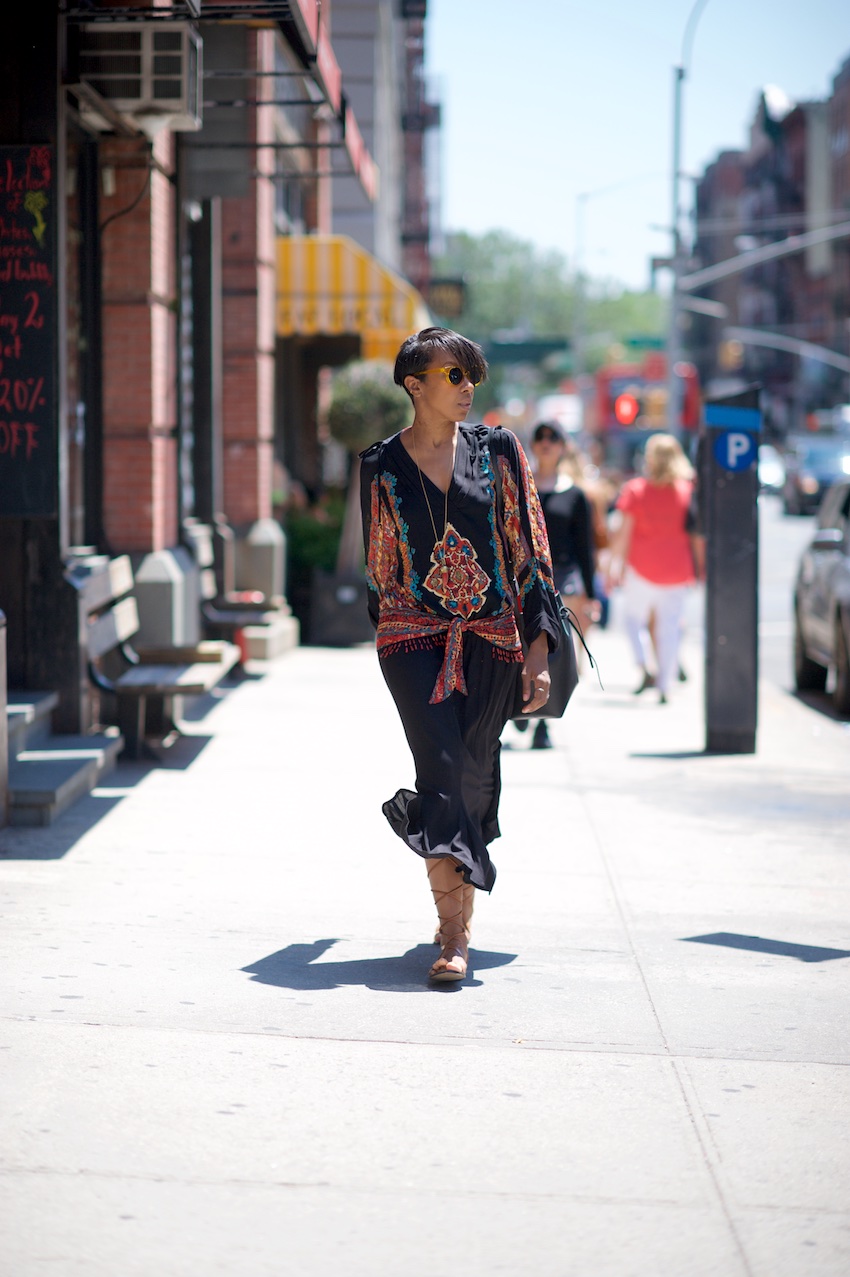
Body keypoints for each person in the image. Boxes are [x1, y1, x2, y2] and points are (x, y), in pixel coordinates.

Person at [359, 327, 562, 982]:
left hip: (494, 641)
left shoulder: (498, 450)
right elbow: (381, 565)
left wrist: (538, 648)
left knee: (471, 778)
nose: (468, 385)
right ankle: (455, 938)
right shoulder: (381, 465)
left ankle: (453, 894)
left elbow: (527, 552)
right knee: (443, 769)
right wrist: (389, 634)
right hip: (413, 639)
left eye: (472, 374)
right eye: (454, 375)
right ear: (414, 385)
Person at [516, 420, 600, 749]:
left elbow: (585, 548)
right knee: (521, 648)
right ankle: (521, 706)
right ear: (533, 445)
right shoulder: (521, 487)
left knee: (553, 652)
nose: (547, 443)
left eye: (554, 438)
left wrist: (592, 595)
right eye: (541, 437)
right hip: (522, 580)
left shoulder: (576, 495)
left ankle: (542, 723)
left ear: (563, 447)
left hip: (563, 581)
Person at [604, 432, 697, 705]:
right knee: (669, 628)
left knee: (633, 620)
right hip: (678, 570)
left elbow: (623, 533)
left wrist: (613, 565)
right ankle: (665, 685)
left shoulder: (636, 490)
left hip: (642, 568)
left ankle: (645, 666)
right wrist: (699, 569)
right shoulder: (687, 491)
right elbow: (695, 536)